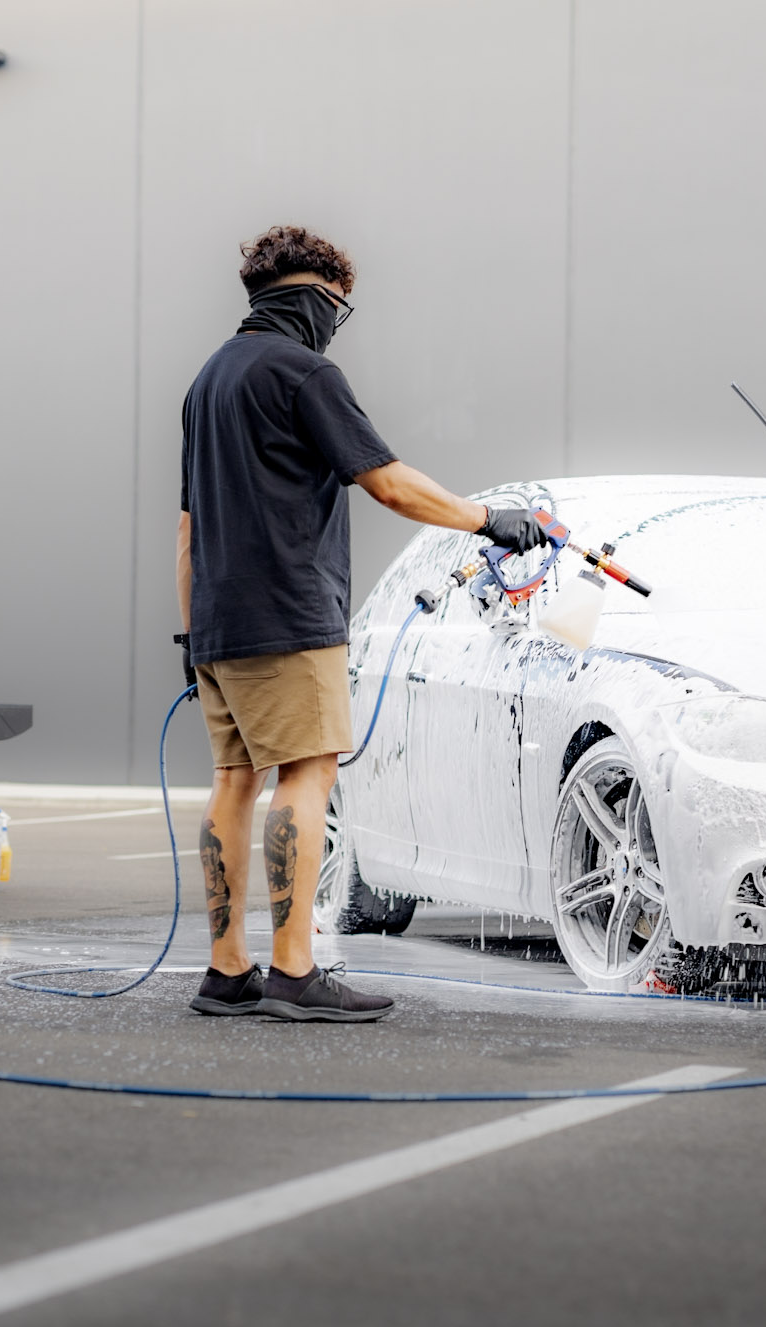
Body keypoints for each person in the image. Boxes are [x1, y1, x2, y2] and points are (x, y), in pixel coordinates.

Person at [175, 225, 546, 1022]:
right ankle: (295, 970)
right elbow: (385, 481)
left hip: (216, 620)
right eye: (337, 305)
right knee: (306, 774)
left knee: (235, 780)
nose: (337, 319)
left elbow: (187, 526)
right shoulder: (305, 371)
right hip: (289, 615)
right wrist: (489, 519)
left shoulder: (208, 380)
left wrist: (191, 631)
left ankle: (226, 968)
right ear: (313, 298)